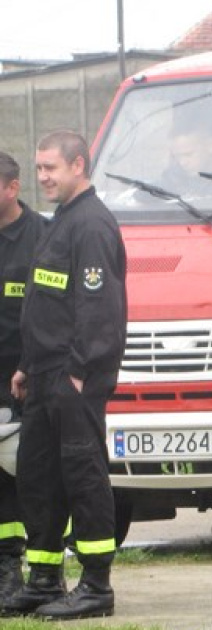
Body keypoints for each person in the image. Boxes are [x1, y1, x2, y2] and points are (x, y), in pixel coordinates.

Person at [5, 131, 127, 619]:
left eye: (50, 168)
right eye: (37, 169)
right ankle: (43, 578)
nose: (42, 177)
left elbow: (100, 311)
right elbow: (46, 304)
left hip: (73, 379)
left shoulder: (92, 225)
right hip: (42, 376)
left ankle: (96, 584)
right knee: (40, 478)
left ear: (78, 166)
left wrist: (79, 371)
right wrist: (26, 367)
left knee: (83, 477)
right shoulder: (61, 222)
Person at [0, 151, 49, 603]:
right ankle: (6, 568)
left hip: (25, 379)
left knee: (29, 475)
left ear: (12, 188)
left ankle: (45, 567)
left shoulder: (42, 237)